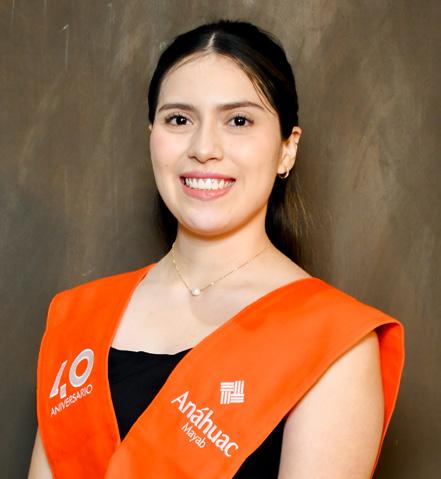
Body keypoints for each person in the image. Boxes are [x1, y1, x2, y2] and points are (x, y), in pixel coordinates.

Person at [28, 19, 404, 479]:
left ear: (287, 149)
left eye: (239, 120)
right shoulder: (79, 319)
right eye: (179, 119)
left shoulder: (333, 340)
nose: (204, 147)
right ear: (152, 137)